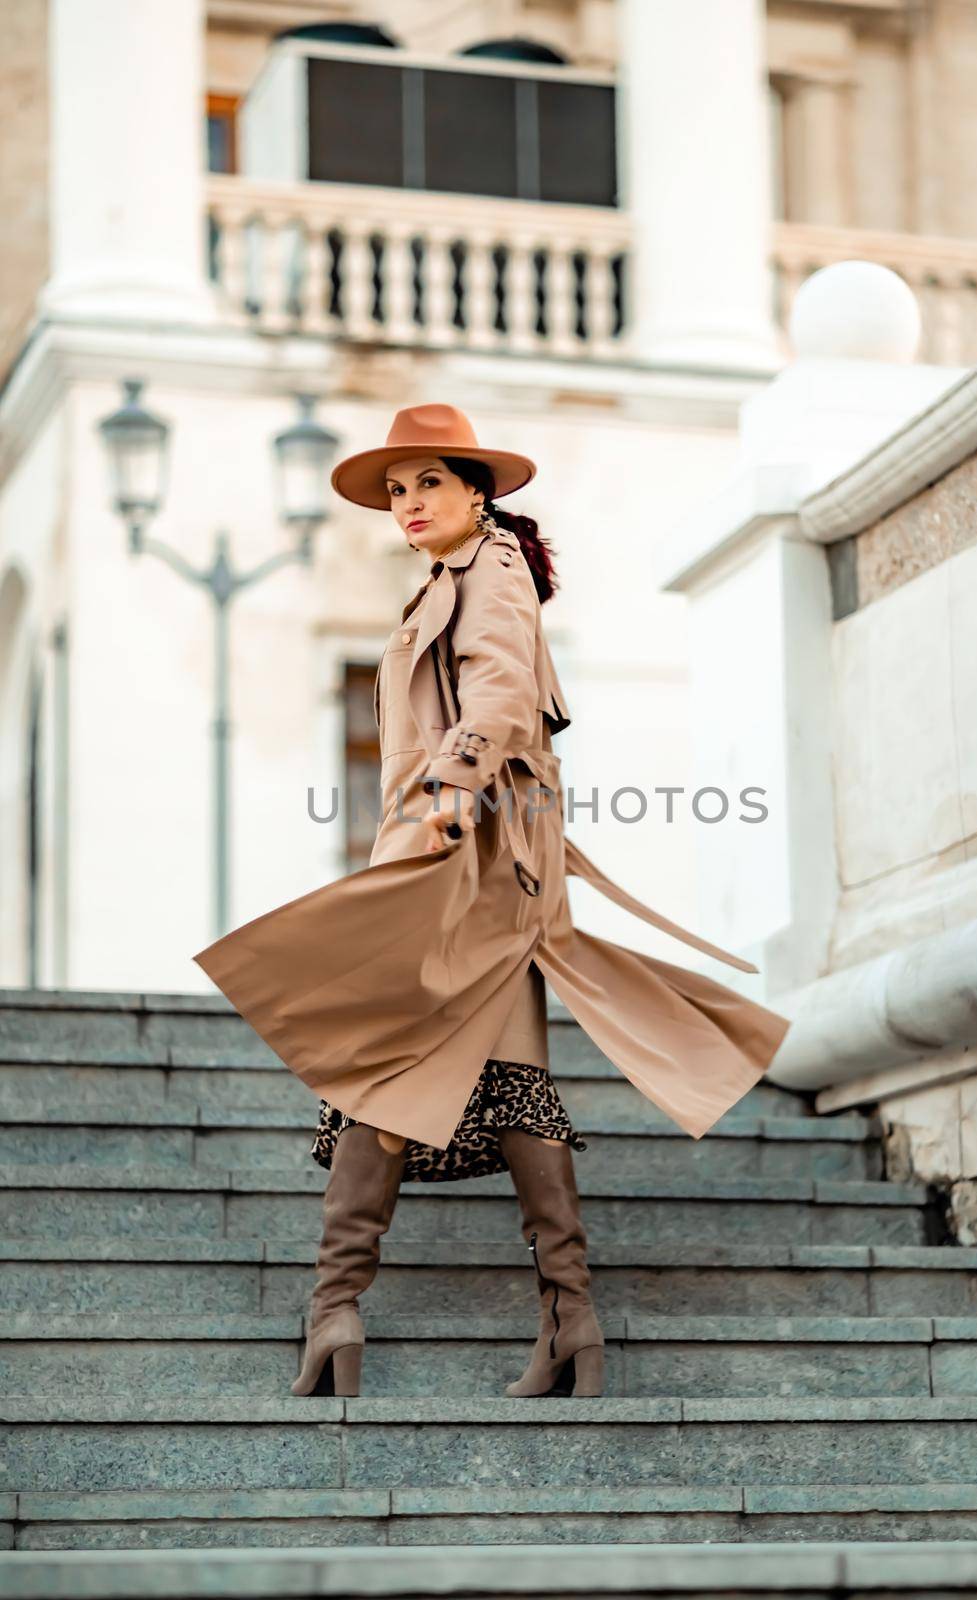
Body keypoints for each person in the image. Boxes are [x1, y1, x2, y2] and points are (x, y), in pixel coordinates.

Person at [192, 403, 792, 1403]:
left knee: (382, 1063)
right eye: (395, 489)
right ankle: (567, 1316)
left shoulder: (491, 572)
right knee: (499, 1076)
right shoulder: (440, 585)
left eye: (428, 481)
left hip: (459, 852)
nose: (408, 504)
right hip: (468, 857)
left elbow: (500, 691)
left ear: (479, 490)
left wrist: (449, 795)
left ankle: (337, 1308)